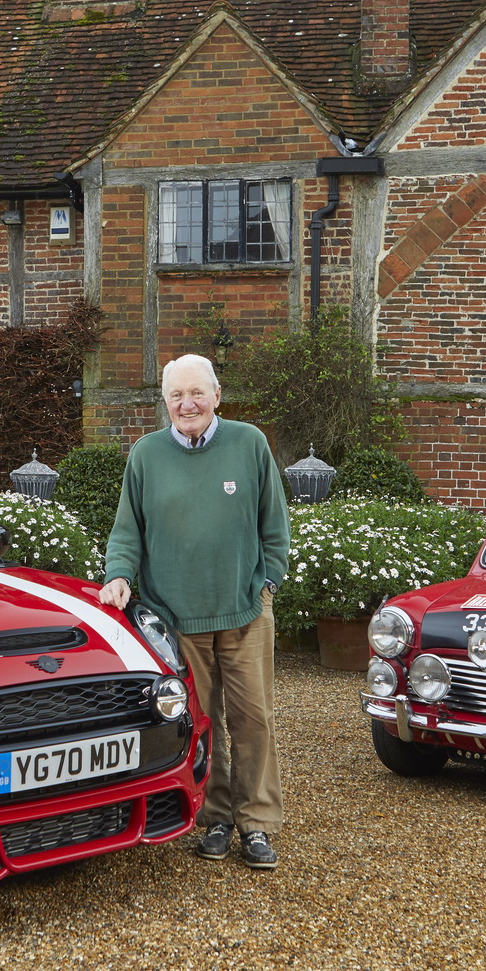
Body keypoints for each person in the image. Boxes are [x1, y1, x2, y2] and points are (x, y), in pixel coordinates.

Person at [99, 353, 290, 870]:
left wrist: (267, 582)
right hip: (177, 620)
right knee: (202, 723)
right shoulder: (145, 455)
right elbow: (127, 531)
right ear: (165, 401)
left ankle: (257, 824)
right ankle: (217, 817)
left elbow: (275, 527)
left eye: (197, 393)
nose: (188, 404)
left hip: (245, 610)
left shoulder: (250, 444)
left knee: (253, 720)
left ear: (216, 395)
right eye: (177, 395)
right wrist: (118, 574)